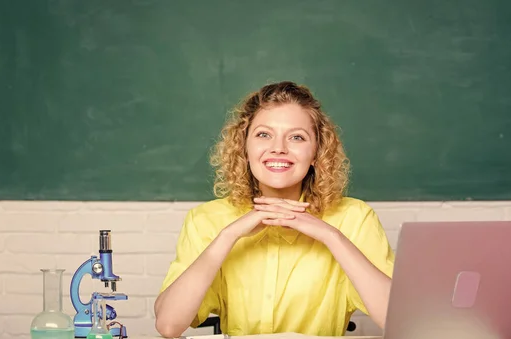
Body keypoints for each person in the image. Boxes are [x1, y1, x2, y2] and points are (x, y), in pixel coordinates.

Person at [154, 81, 395, 337]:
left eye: (297, 137)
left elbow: (404, 322)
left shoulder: (355, 218)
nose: (278, 148)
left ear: (315, 153)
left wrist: (330, 236)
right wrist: (228, 237)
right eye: (264, 134)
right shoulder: (206, 220)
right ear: (244, 149)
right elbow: (169, 326)